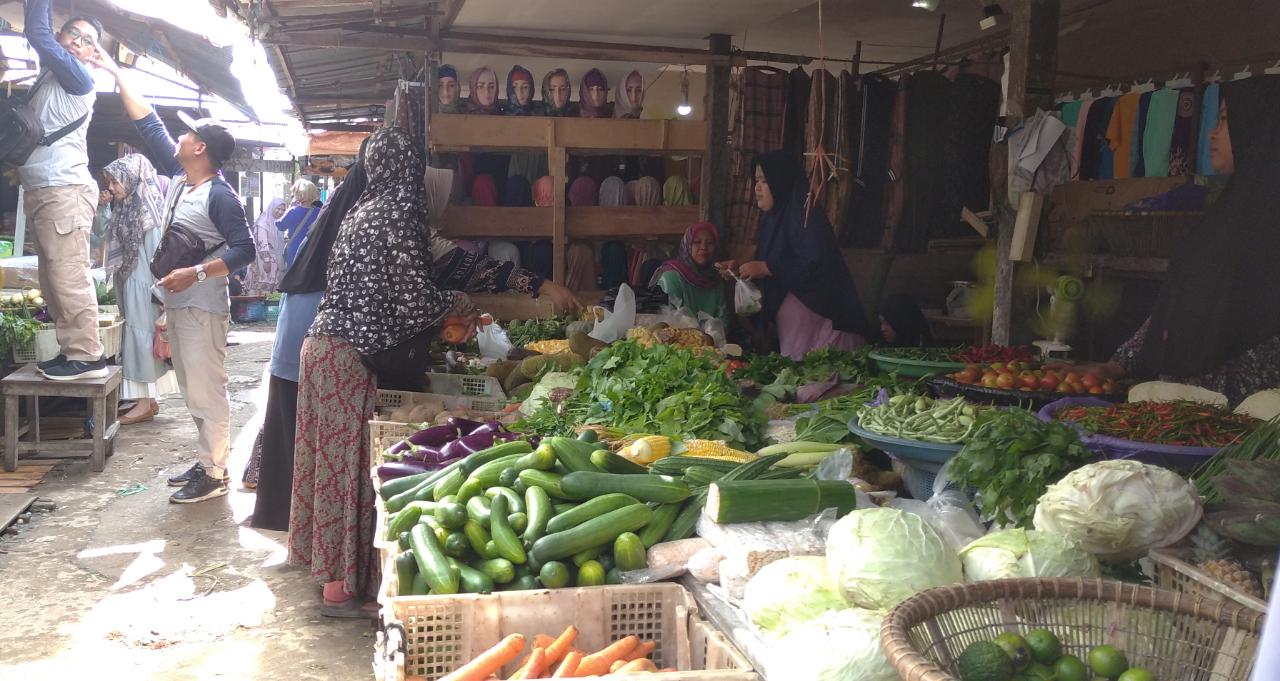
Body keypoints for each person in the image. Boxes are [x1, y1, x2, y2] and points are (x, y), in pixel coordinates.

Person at [290, 128, 483, 616]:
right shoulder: (401, 210)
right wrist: (459, 303)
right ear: (411, 168)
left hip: (323, 349)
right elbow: (415, 301)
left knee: (329, 468)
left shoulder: (363, 208)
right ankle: (340, 591)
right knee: (348, 473)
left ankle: (331, 576)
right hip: (346, 357)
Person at [92, 54, 256, 504]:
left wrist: (197, 271)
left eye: (188, 134)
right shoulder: (185, 181)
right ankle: (208, 461)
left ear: (201, 148)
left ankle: (216, 472)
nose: (180, 138)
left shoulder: (220, 195)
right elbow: (149, 125)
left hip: (203, 306)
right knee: (192, 389)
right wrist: (116, 72)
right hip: (182, 304)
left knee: (207, 390)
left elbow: (246, 251)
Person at [1072, 77, 1280, 404]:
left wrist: (1218, 403)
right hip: (1180, 411)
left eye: (1225, 120)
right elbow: (1174, 308)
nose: (1212, 133)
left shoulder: (1267, 231)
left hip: (1235, 423)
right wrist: (1115, 366)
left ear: (1260, 127)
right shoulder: (1224, 216)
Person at [18, 0, 106, 380]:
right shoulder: (49, 77)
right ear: (62, 36)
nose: (77, 43)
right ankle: (72, 348)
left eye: (87, 40)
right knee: (52, 280)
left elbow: (37, 33)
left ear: (91, 54)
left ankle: (87, 354)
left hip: (64, 189)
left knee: (68, 274)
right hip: (43, 189)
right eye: (74, 34)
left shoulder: (80, 77)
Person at [723, 150, 875, 359]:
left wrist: (767, 268)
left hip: (823, 322)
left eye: (765, 181)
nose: (757, 187)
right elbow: (770, 255)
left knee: (823, 380)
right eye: (756, 180)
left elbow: (815, 261)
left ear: (781, 182)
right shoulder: (774, 218)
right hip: (799, 328)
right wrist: (741, 268)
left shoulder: (804, 217)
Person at [102, 154, 177, 424]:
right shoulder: (126, 207)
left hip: (144, 284)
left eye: (116, 181)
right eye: (110, 181)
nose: (112, 186)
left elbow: (159, 255)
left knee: (141, 340)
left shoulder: (148, 211)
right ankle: (148, 400)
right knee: (136, 339)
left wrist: (161, 294)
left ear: (132, 179)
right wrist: (103, 208)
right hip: (129, 280)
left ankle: (145, 402)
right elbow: (106, 238)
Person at [649, 222, 729, 326]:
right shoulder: (672, 277)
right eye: (697, 242)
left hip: (712, 340)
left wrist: (712, 335)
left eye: (709, 243)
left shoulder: (716, 279)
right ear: (687, 246)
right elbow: (667, 320)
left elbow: (724, 319)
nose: (703, 247)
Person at [243, 198, 286, 296]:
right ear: (272, 208)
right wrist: (267, 261)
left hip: (273, 262)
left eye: (283, 210)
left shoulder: (276, 223)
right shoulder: (263, 223)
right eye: (278, 209)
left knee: (269, 294)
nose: (280, 212)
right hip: (263, 263)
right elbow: (262, 244)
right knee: (259, 291)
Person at [277, 180, 323, 268]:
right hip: (312, 249)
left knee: (293, 276)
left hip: (294, 249)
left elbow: (280, 226)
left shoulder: (293, 211)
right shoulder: (319, 212)